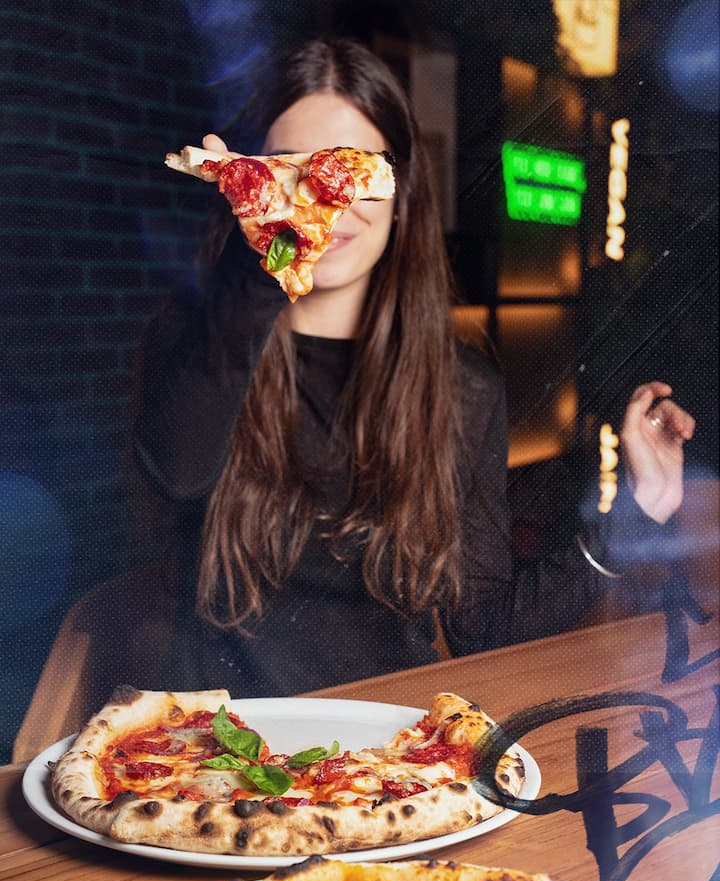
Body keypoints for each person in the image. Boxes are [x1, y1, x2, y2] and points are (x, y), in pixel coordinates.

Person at [132, 37, 695, 696]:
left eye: (355, 171)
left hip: (391, 752)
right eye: (292, 171)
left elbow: (479, 624)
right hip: (211, 755)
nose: (325, 203)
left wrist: (640, 512)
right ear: (250, 184)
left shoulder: (462, 387)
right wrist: (266, 254)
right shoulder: (199, 339)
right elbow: (178, 469)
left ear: (401, 194)